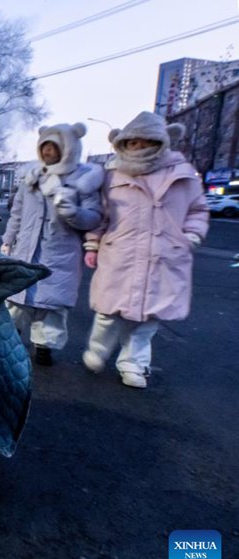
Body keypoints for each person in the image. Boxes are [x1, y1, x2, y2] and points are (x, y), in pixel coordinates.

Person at [81, 111, 209, 389]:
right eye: (132, 143)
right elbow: (99, 214)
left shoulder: (182, 174)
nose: (139, 148)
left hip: (163, 257)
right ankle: (98, 350)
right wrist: (92, 243)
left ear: (160, 142)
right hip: (120, 255)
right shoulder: (111, 176)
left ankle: (133, 364)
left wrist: (191, 235)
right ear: (123, 144)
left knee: (148, 320)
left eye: (146, 142)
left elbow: (198, 209)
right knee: (107, 313)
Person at [0, 122, 103, 365]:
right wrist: (7, 240)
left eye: (53, 147)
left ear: (67, 149)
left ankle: (44, 346)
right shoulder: (31, 178)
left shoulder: (83, 180)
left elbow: (94, 217)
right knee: (16, 299)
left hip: (61, 254)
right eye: (44, 147)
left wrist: (73, 212)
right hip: (25, 249)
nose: (47, 152)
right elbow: (17, 213)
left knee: (52, 307)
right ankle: (10, 338)